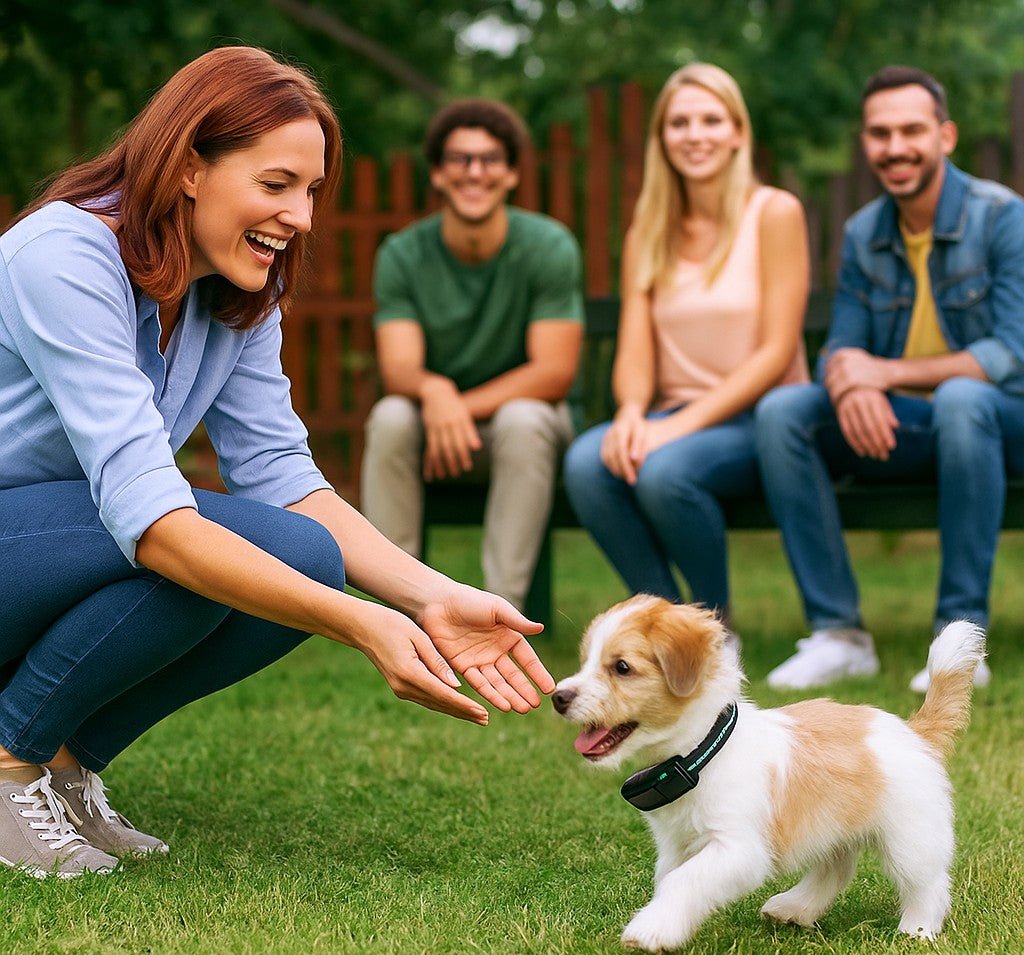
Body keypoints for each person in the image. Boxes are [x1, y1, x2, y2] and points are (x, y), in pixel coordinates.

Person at [0, 47, 556, 879]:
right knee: (206, 552)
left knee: (302, 555)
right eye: (276, 184)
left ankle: (67, 765)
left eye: (311, 192)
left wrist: (433, 596)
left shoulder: (239, 286)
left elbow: (285, 480)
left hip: (61, 549)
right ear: (190, 167)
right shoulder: (64, 254)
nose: (300, 215)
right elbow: (152, 522)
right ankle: (10, 758)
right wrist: (361, 624)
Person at [756, 65, 1024, 692]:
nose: (895, 147)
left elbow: (1011, 354)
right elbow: (844, 347)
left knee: (964, 397)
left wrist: (885, 372)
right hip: (909, 426)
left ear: (946, 135)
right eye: (880, 133)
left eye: (911, 130)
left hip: (1002, 421)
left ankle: (960, 644)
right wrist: (854, 383)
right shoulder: (864, 232)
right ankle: (838, 635)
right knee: (782, 412)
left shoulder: (1003, 217)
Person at [561, 63, 809, 638]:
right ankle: (670, 629)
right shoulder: (649, 228)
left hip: (761, 422)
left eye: (710, 120)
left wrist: (673, 429)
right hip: (675, 418)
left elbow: (776, 352)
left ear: (738, 133)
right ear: (662, 139)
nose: (695, 134)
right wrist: (629, 414)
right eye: (679, 122)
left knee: (663, 472)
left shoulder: (773, 213)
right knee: (586, 463)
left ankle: (715, 633)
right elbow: (636, 350)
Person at [359, 99, 584, 612]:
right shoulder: (403, 254)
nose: (474, 172)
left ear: (510, 174)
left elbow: (553, 374)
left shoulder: (549, 246)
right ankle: (400, 610)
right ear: (438, 174)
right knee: (391, 416)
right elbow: (399, 369)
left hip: (526, 432)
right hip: (433, 433)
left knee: (524, 418)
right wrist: (435, 392)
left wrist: (457, 405)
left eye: (489, 159)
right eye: (460, 159)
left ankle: (501, 614)